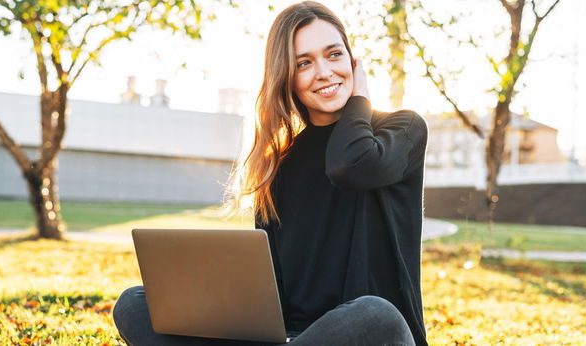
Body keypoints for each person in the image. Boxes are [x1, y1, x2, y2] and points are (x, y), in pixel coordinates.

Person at [113, 1, 428, 345]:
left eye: (334, 54)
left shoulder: (402, 129)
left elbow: (351, 167)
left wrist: (359, 101)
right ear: (287, 77)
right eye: (304, 63)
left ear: (354, 62)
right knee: (134, 303)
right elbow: (271, 292)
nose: (323, 71)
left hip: (371, 334)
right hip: (295, 338)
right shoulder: (278, 165)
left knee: (374, 313)